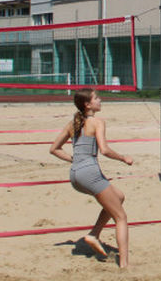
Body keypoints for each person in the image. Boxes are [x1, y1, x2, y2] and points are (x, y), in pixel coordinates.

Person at [50, 89, 133, 268]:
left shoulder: (73, 123)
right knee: (121, 217)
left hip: (75, 175)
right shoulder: (98, 122)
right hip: (89, 173)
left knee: (118, 197)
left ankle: (94, 234)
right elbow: (105, 150)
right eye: (96, 98)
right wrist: (123, 158)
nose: (100, 100)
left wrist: (75, 160)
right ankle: (124, 264)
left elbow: (54, 149)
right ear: (88, 104)